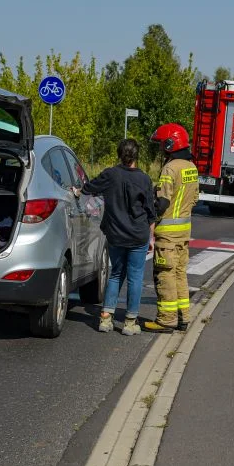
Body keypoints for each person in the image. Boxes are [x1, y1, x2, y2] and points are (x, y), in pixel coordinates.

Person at [78, 138, 156, 336]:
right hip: (138, 234)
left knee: (115, 274)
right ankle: (130, 322)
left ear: (119, 155)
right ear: (137, 156)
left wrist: (77, 191)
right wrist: (151, 237)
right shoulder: (145, 179)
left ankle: (106, 318)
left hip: (116, 234)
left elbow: (89, 188)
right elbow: (150, 211)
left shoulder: (111, 174)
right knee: (135, 277)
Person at [143, 123, 199, 334]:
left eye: (161, 145)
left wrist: (149, 212)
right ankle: (183, 317)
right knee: (179, 274)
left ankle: (166, 320)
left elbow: (162, 202)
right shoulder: (191, 168)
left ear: (169, 144)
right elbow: (194, 199)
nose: (160, 149)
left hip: (167, 234)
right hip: (184, 233)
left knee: (165, 276)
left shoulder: (170, 168)